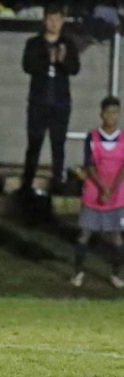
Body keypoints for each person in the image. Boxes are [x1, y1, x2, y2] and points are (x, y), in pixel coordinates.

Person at [20, 5, 81, 194]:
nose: (54, 23)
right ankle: (27, 184)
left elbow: (75, 69)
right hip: (38, 101)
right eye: (50, 19)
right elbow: (28, 66)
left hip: (60, 103)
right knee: (34, 144)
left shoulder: (68, 43)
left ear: (62, 21)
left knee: (58, 144)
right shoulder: (34, 43)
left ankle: (58, 183)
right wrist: (49, 59)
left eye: (57, 19)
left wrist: (62, 60)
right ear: (44, 20)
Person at [70, 96, 124, 289]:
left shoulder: (123, 138)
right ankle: (78, 272)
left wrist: (112, 189)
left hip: (116, 194)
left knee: (116, 235)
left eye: (116, 112)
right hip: (95, 191)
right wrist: (102, 188)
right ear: (102, 114)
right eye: (109, 112)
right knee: (85, 233)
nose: (112, 116)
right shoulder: (92, 137)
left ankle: (116, 274)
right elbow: (89, 164)